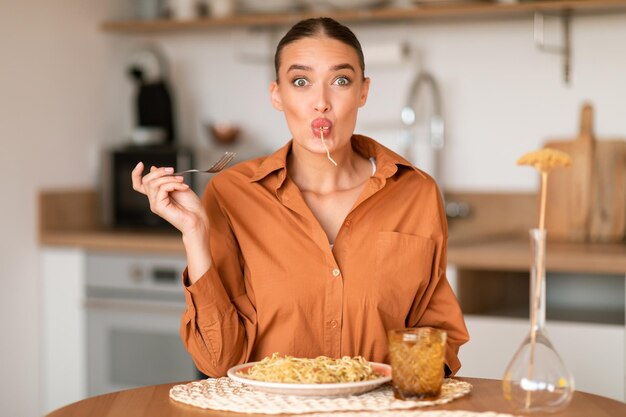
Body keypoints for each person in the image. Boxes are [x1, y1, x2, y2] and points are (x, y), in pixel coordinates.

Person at [132, 17, 469, 378]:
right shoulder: (231, 195)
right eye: (301, 82)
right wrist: (195, 235)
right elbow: (218, 361)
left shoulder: (416, 193)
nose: (321, 102)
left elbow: (437, 337)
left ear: (363, 92)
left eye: (340, 81)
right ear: (277, 94)